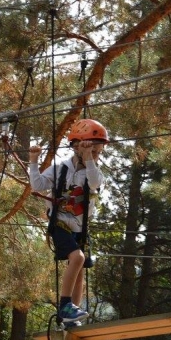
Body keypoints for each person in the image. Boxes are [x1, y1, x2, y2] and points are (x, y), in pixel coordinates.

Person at [29, 119, 108, 327]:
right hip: (61, 224)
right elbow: (37, 185)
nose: (96, 156)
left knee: (80, 267)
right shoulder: (60, 169)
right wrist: (34, 161)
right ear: (76, 146)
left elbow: (94, 183)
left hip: (81, 228)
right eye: (93, 150)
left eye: (99, 153)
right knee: (77, 257)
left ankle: (71, 315)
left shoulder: (94, 171)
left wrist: (90, 158)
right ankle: (65, 305)